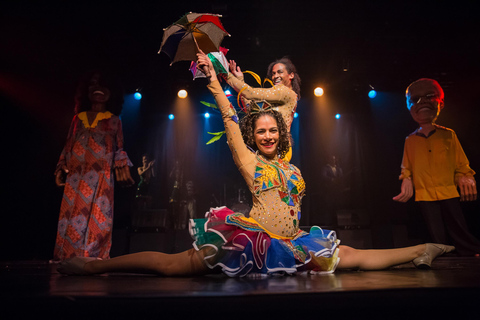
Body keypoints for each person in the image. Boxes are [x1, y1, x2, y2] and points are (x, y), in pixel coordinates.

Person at [57, 54, 453, 277]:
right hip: (250, 238)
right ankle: (94, 266)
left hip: (291, 239)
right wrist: (215, 79)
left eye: (272, 131)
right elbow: (232, 116)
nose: (267, 136)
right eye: (260, 131)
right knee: (172, 265)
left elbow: (284, 116)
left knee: (347, 254)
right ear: (253, 135)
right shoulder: (248, 159)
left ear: (282, 135)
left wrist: (279, 100)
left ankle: (421, 249)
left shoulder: (292, 167)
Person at [53, 70, 135, 262]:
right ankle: (68, 257)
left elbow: (119, 147)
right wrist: (60, 168)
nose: (98, 89)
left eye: (103, 85)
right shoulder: (78, 119)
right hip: (76, 177)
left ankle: (92, 258)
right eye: (93, 84)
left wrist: (122, 167)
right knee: (71, 217)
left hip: (100, 178)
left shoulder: (114, 121)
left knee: (98, 216)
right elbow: (68, 144)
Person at [393, 78, 480, 256]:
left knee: (457, 223)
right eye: (415, 99)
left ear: (440, 102)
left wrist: (466, 176)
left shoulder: (448, 135)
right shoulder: (411, 140)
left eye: (429, 96)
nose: (423, 102)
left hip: (447, 189)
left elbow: (461, 162)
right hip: (425, 192)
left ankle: (470, 250)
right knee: (434, 229)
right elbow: (406, 166)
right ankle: (440, 254)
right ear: (409, 106)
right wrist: (406, 180)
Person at [226, 57, 300, 160]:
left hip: (278, 148)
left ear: (291, 75)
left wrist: (225, 74)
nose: (275, 76)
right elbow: (250, 109)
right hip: (271, 145)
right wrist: (240, 79)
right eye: (273, 73)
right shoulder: (278, 98)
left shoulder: (285, 92)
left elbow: (250, 93)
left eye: (280, 72)